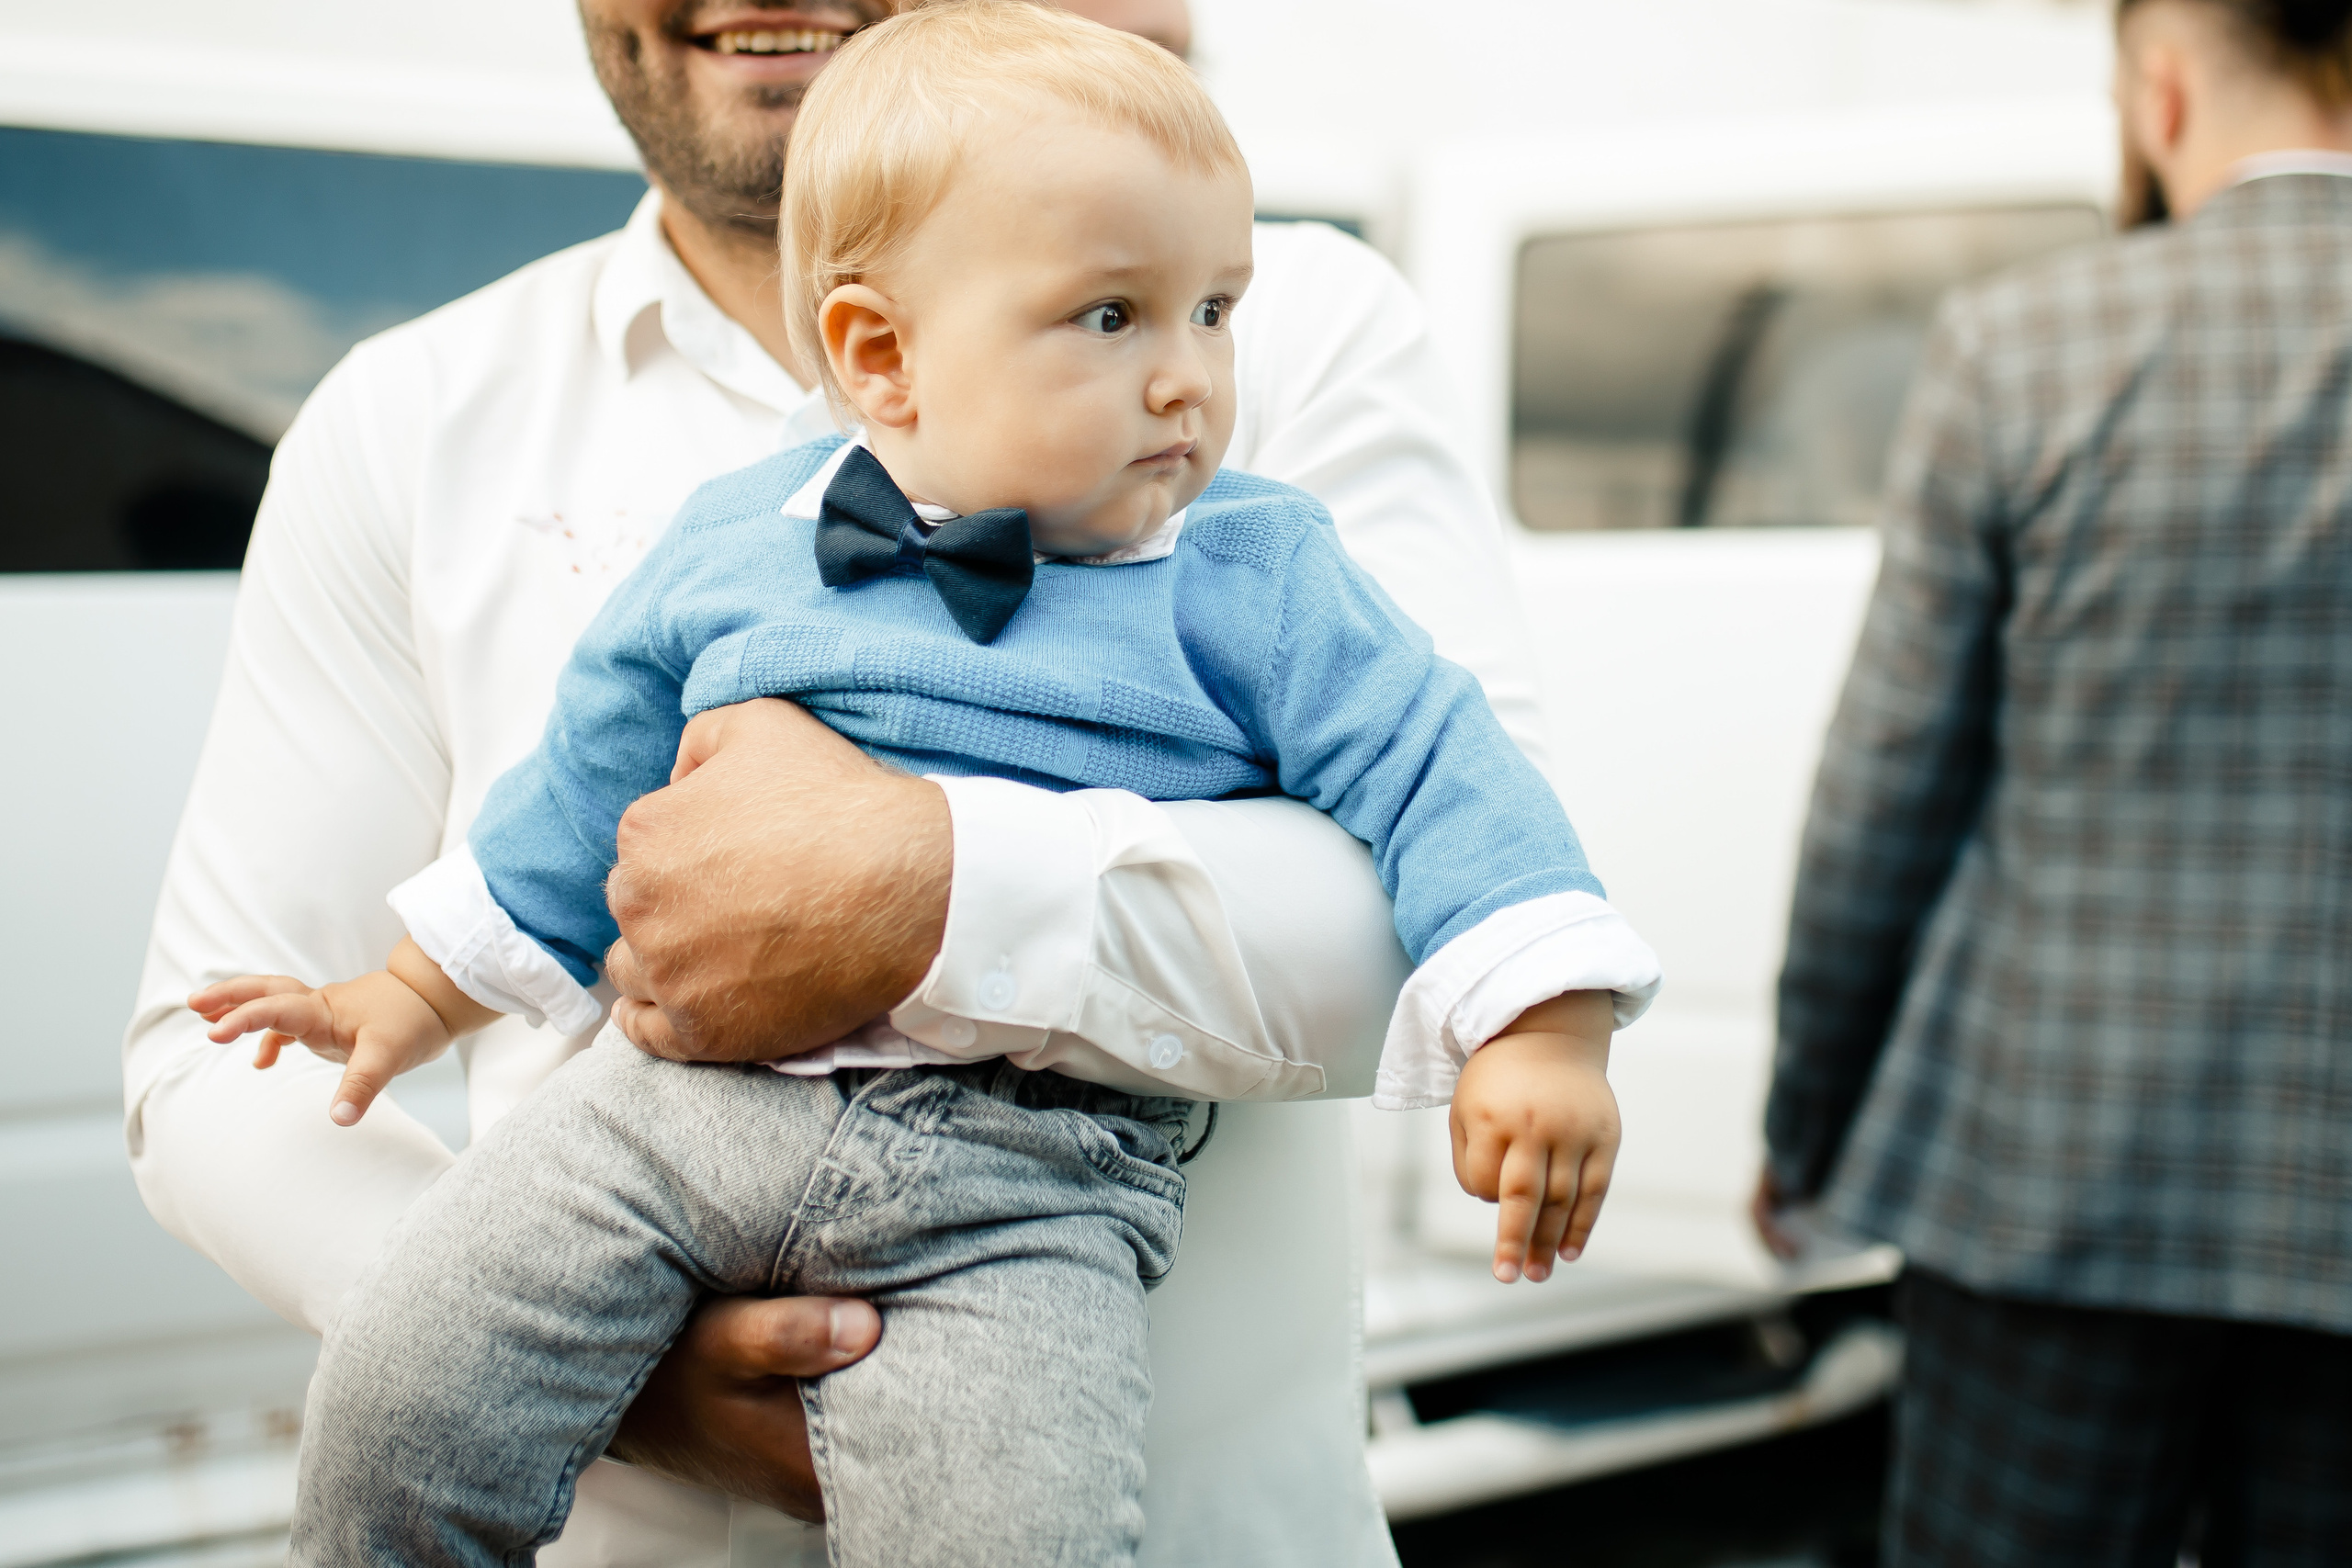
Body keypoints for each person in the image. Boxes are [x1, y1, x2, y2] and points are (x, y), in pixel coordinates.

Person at [119, 0, 1628, 1562]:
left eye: (1211, 316)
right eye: (1116, 320)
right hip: (652, 1131)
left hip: (1040, 1196)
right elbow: (573, 792)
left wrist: (1542, 1014)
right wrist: (427, 1012)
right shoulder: (570, 468)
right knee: (395, 1413)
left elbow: (1451, 793)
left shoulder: (1262, 470)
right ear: (877, 355)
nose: (1189, 376)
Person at [1753, 1, 2352, 1562]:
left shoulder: (2030, 346)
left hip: (2047, 1187)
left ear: (2161, 89)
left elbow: (1887, 783)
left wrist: (1806, 1122)